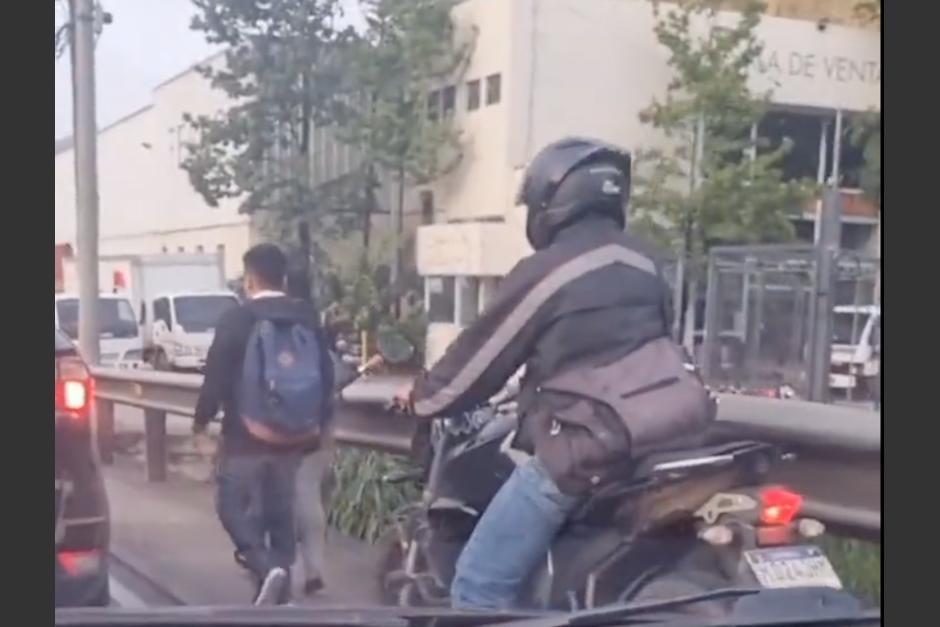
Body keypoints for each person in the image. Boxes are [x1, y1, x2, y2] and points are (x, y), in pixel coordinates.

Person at [395, 137, 675, 610]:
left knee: (478, 586)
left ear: (553, 201)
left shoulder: (549, 270)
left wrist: (422, 396)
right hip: (661, 446)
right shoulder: (647, 264)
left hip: (584, 450)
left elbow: (480, 361)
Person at [193, 244, 334, 606]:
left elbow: (216, 377)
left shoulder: (237, 319)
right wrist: (317, 426)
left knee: (231, 505)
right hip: (293, 436)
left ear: (250, 279)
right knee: (280, 513)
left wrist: (201, 424)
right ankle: (280, 594)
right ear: (283, 278)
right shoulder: (306, 317)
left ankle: (263, 564)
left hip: (245, 437)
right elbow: (327, 374)